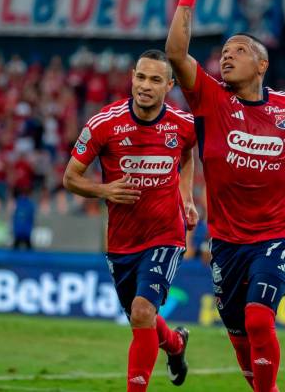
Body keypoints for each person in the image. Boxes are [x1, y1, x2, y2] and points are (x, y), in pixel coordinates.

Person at [165, 0, 285, 391]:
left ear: (262, 63)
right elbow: (177, 54)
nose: (226, 56)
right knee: (238, 332)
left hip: (276, 233)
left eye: (238, 50)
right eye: (224, 52)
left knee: (258, 318)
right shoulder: (211, 100)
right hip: (227, 241)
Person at [62, 50, 198, 392]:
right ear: (131, 78)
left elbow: (186, 155)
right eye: (141, 77)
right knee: (142, 318)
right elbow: (70, 178)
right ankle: (176, 345)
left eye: (155, 80)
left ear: (169, 85)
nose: (145, 86)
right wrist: (105, 189)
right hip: (122, 241)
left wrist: (188, 199)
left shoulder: (183, 125)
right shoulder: (103, 124)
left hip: (166, 234)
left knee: (141, 312)